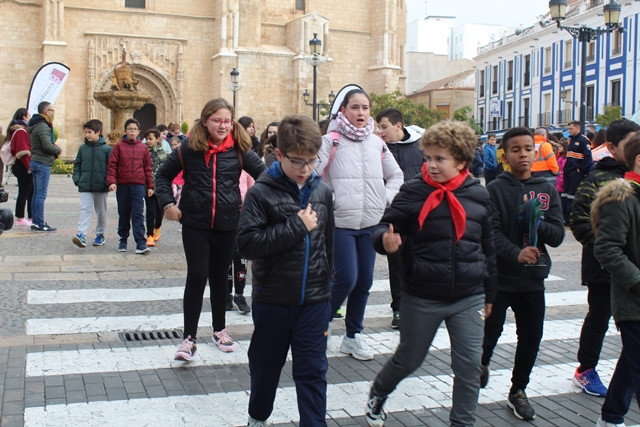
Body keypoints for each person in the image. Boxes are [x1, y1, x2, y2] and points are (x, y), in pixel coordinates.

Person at [364, 121, 497, 427]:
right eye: (429, 158)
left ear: (461, 161)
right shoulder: (413, 190)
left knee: (469, 367)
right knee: (409, 358)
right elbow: (385, 226)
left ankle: (462, 423)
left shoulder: (478, 194)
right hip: (422, 293)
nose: (432, 165)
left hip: (469, 295)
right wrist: (384, 241)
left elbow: (487, 247)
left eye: (440, 159)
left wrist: (490, 294)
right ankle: (379, 391)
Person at [236, 115, 334, 427]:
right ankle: (258, 416)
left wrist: (327, 282)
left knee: (313, 371)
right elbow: (247, 245)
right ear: (279, 155)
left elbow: (329, 243)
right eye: (297, 161)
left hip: (314, 302)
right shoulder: (261, 193)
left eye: (312, 161)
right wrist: (295, 226)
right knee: (266, 367)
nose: (306, 168)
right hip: (274, 300)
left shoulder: (323, 192)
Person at [154, 98, 265, 360]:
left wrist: (250, 205)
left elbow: (264, 176)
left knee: (218, 277)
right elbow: (162, 175)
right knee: (197, 275)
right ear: (205, 121)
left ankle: (219, 330)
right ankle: (188, 339)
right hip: (195, 223)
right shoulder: (188, 148)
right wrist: (168, 203)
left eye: (227, 121)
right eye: (217, 120)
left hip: (228, 224)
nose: (223, 125)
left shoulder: (239, 150)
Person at [480, 127, 565, 421]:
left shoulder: (547, 189)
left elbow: (557, 236)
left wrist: (536, 221)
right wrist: (514, 252)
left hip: (533, 278)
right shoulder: (495, 190)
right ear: (505, 155)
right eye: (516, 149)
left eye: (528, 148)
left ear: (535, 151)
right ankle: (481, 363)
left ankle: (518, 390)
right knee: (490, 332)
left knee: (531, 337)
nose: (523, 154)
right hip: (500, 278)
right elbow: (492, 233)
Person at [316, 88, 403, 361]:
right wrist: (330, 202)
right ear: (343, 110)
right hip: (340, 222)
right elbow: (312, 177)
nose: (361, 113)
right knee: (346, 278)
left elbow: (396, 175)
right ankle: (319, 326)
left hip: (370, 223)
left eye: (365, 107)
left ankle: (353, 336)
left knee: (364, 282)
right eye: (355, 107)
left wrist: (383, 199)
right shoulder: (330, 141)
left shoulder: (377, 143)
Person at [569, 119, 640, 398]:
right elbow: (578, 220)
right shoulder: (598, 178)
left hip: (631, 269)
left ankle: (617, 403)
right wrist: (607, 247)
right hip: (603, 268)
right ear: (612, 147)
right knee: (599, 317)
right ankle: (585, 370)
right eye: (630, 144)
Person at [591, 131, 640, 427]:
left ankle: (611, 417)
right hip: (633, 302)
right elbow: (607, 249)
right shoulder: (621, 197)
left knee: (630, 363)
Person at [375, 107, 424, 329]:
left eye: (384, 126)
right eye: (378, 127)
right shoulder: (378, 149)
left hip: (420, 214)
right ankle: (399, 309)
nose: (380, 131)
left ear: (398, 126)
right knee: (396, 262)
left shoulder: (420, 146)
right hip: (393, 213)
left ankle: (418, 306)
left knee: (418, 259)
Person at [107, 118, 154, 254]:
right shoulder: (119, 147)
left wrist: (150, 185)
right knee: (124, 213)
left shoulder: (143, 148)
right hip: (122, 185)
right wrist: (112, 181)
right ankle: (123, 239)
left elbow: (147, 168)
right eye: (129, 129)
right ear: (125, 131)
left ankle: (140, 243)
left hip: (138, 186)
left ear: (138, 131)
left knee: (138, 214)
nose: (132, 131)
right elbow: (112, 165)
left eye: (134, 129)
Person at [71, 119, 112, 248]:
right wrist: (77, 179)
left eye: (90, 132)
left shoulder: (106, 149)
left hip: (101, 186)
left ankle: (100, 234)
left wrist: (109, 181)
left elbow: (111, 167)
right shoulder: (83, 149)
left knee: (101, 211)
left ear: (98, 132)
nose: (87, 135)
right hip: (85, 185)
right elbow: (77, 164)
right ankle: (81, 234)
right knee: (85, 209)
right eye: (86, 132)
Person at [28, 101, 61, 232]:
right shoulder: (42, 126)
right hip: (42, 163)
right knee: (40, 194)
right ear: (46, 112)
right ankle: (40, 223)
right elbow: (47, 145)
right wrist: (57, 149)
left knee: (36, 194)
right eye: (52, 110)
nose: (53, 113)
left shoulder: (36, 124)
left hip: (36, 161)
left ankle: (36, 221)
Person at [562, 120, 593, 224]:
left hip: (576, 172)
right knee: (565, 194)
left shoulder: (583, 141)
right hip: (568, 171)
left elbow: (588, 158)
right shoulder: (571, 140)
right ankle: (565, 216)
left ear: (577, 128)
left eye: (571, 128)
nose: (569, 131)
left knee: (572, 195)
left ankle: (571, 217)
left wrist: (580, 169)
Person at [6, 108, 33, 225]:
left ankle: (31, 216)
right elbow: (22, 151)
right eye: (29, 115)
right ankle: (20, 218)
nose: (30, 117)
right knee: (25, 191)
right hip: (22, 166)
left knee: (30, 191)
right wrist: (29, 167)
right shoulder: (21, 131)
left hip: (22, 165)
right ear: (24, 116)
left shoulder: (20, 130)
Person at [143, 127, 168, 248]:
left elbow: (167, 171)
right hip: (148, 187)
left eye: (150, 139)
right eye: (146, 139)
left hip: (161, 188)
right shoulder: (144, 152)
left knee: (159, 211)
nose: (148, 141)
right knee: (150, 211)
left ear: (158, 139)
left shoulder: (164, 153)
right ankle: (149, 235)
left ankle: (157, 227)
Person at [168, 137, 184, 206]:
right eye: (172, 145)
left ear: (180, 144)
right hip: (173, 182)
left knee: (180, 200)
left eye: (175, 144)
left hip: (182, 182)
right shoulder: (169, 156)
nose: (173, 147)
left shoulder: (183, 156)